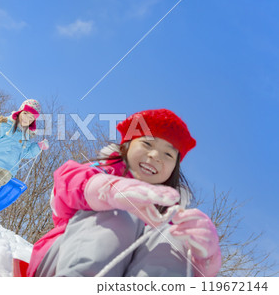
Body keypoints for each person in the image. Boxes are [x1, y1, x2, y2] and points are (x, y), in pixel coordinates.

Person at [27, 108, 221, 277]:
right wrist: (108, 190)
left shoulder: (171, 216)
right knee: (119, 212)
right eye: (147, 144)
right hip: (62, 261)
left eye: (168, 154)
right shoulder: (100, 173)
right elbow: (63, 188)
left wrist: (204, 257)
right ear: (126, 146)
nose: (155, 156)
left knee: (172, 239)